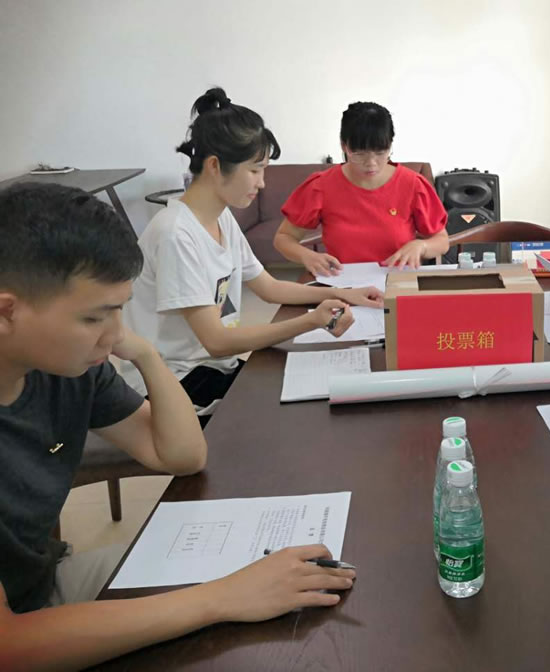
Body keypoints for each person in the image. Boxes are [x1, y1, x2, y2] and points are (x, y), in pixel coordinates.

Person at [0, 183, 356, 670]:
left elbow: (183, 455)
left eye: (120, 310)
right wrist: (221, 598)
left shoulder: (68, 367)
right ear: (7, 311)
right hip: (23, 624)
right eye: (94, 317)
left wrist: (145, 353)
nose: (114, 333)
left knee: (287, 594)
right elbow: (8, 646)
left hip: (45, 582)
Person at [122, 88, 382, 415]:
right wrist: (312, 321)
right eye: (255, 170)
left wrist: (346, 293)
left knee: (307, 396)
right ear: (215, 166)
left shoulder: (220, 218)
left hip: (212, 365)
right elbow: (217, 340)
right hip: (171, 382)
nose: (262, 183)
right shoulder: (176, 234)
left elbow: (269, 288)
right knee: (290, 411)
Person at [273, 101, 449, 275]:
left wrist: (421, 246)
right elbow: (283, 238)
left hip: (397, 283)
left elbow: (441, 241)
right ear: (344, 146)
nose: (371, 163)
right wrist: (306, 256)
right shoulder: (321, 187)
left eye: (380, 153)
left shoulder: (413, 185)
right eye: (359, 154)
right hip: (343, 285)